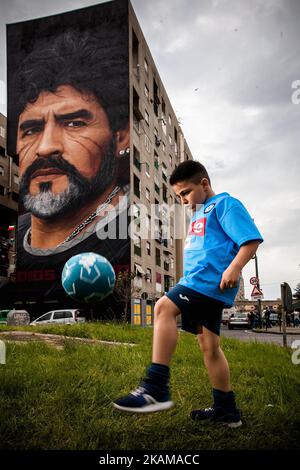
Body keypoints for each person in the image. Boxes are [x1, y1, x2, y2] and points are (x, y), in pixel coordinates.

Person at [113, 160, 263, 427]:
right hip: (198, 283)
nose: (182, 200)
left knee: (162, 308)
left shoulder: (225, 204)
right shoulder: (198, 214)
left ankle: (155, 388)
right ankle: (226, 411)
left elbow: (250, 239)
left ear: (204, 184)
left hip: (206, 283)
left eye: (185, 193)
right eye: (178, 196)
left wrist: (233, 268)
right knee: (210, 347)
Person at [3, 28, 131, 313]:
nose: (45, 147)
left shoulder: (133, 229)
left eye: (74, 123)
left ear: (120, 136)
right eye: (32, 129)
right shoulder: (18, 231)